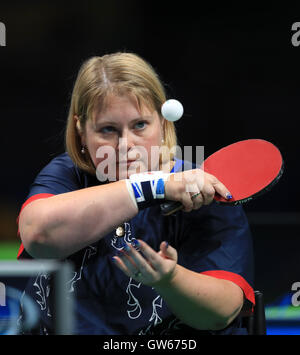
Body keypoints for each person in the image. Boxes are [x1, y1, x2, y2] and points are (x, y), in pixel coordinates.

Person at [17, 52, 254, 335]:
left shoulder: (201, 187)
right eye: (107, 129)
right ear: (81, 130)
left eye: (140, 125)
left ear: (163, 123)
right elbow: (38, 236)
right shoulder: (66, 175)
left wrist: (170, 279)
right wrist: (156, 186)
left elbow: (220, 314)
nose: (125, 145)